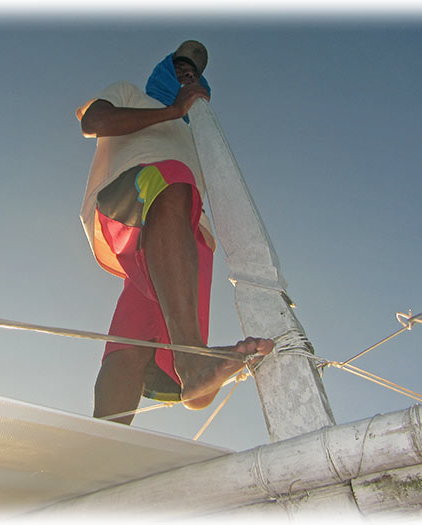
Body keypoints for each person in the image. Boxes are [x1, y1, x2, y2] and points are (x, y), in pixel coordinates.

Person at [75, 41, 273, 424]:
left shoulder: (198, 133)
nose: (187, 74)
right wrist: (172, 110)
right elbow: (94, 123)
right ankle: (192, 360)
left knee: (132, 335)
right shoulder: (129, 93)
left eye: (194, 72)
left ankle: (106, 444)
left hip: (182, 232)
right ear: (164, 68)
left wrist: (188, 115)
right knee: (172, 178)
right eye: (180, 66)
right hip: (131, 194)